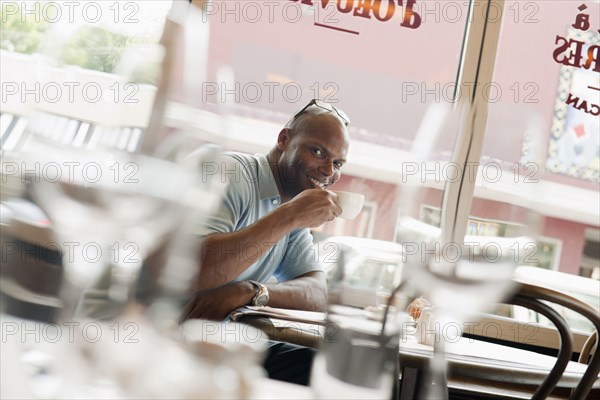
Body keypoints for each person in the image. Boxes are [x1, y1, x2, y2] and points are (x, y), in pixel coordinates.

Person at [180, 99, 351, 385]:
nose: (327, 171)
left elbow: (317, 293)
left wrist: (251, 291)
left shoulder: (293, 209)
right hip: (163, 335)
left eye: (337, 163)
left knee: (331, 368)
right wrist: (290, 215)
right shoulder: (230, 173)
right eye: (317, 151)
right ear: (284, 139)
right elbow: (195, 271)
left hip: (223, 345)